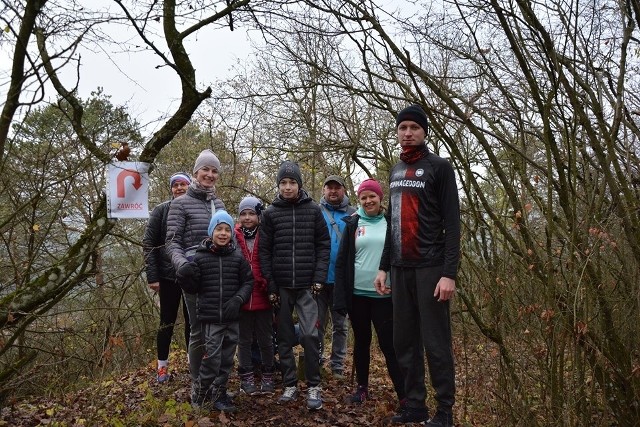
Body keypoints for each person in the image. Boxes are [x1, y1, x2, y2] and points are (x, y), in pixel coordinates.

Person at [374, 105, 460, 427]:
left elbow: (452, 224)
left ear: (424, 131)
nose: (407, 132)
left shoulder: (440, 167)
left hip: (431, 269)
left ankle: (445, 413)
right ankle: (415, 406)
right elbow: (391, 223)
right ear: (397, 133)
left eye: (413, 127)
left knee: (436, 344)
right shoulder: (395, 171)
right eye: (402, 127)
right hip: (400, 269)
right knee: (403, 342)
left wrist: (449, 273)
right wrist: (383, 266)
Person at [259, 160, 331, 410]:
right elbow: (264, 252)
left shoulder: (313, 210)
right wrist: (270, 286)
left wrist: (319, 278)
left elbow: (323, 245)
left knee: (311, 335)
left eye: (292, 182)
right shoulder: (269, 214)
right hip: (280, 288)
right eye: (283, 183)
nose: (287, 187)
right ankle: (290, 384)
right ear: (278, 185)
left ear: (299, 185)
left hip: (307, 287)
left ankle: (313, 385)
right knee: (284, 339)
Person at [333, 178, 405, 407]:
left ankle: (403, 395)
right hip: (358, 296)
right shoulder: (353, 223)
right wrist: (340, 298)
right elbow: (343, 261)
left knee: (389, 345)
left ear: (380, 198)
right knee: (361, 342)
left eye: (372, 196)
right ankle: (362, 389)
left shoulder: (390, 222)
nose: (368, 201)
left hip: (384, 296)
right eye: (363, 197)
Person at [165, 149, 226, 404]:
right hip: (192, 275)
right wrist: (182, 266)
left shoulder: (219, 204)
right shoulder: (180, 204)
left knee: (220, 330)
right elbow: (171, 242)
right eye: (206, 170)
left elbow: (226, 238)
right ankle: (198, 386)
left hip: (219, 274)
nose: (210, 175)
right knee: (199, 332)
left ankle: (217, 385)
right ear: (195, 173)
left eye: (214, 171)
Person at [178, 210, 253, 411]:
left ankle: (219, 393)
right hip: (211, 319)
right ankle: (201, 394)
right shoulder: (200, 258)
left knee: (227, 359)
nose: (223, 233)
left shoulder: (237, 257)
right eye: (218, 229)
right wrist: (184, 277)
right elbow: (193, 288)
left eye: (227, 230)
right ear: (211, 232)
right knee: (212, 359)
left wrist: (238, 299)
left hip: (232, 317)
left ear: (231, 233)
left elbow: (248, 282)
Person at [143, 172, 192, 383]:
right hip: (167, 276)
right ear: (171, 188)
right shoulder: (161, 210)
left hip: (191, 275)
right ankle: (162, 367)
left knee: (193, 322)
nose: (180, 188)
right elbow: (149, 243)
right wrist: (153, 277)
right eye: (176, 185)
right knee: (166, 322)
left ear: (190, 186)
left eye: (184, 184)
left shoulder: (195, 208)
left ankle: (194, 362)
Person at [234, 196, 275, 396]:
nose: (248, 217)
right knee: (243, 340)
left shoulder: (266, 235)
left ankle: (268, 373)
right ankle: (246, 375)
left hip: (263, 294)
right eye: (244, 214)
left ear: (259, 216)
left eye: (251, 213)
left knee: (266, 339)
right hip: (242, 296)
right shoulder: (233, 236)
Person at [317, 175, 355, 379]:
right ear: (324, 191)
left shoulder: (354, 213)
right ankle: (317, 361)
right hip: (319, 279)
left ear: (344, 190)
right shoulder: (315, 212)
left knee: (341, 325)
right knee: (317, 324)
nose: (333, 191)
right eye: (329, 188)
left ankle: (338, 365)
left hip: (343, 280)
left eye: (337, 188)